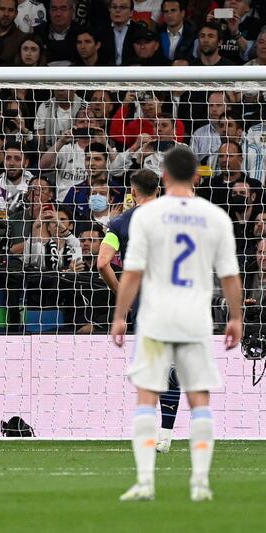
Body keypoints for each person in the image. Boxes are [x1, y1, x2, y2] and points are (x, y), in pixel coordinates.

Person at [111, 146, 243, 502]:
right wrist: (235, 317)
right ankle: (200, 481)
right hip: (195, 317)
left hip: (155, 315)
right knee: (199, 397)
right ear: (197, 177)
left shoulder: (146, 217)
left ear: (165, 177)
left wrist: (121, 316)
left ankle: (144, 482)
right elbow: (230, 276)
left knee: (146, 395)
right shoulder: (214, 216)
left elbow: (132, 272)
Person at [98, 169, 182, 453]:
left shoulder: (121, 222)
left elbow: (101, 263)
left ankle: (159, 433)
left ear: (133, 191)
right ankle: (165, 434)